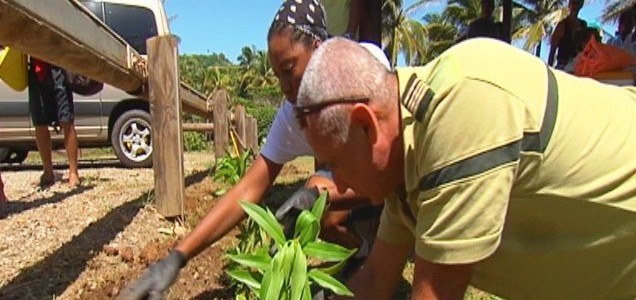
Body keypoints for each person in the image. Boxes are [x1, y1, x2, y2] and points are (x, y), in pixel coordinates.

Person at [294, 37, 636, 300]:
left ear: (366, 126)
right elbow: (375, 280)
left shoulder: (460, 107)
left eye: (335, 164)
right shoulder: (406, 154)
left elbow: (435, 293)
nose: (336, 182)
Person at [116, 1, 390, 299]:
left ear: (318, 46)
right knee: (323, 209)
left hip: (396, 180)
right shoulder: (292, 114)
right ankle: (362, 259)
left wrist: (317, 194)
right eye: (278, 76)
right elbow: (248, 188)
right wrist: (175, 258)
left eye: (290, 68)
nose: (285, 86)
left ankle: (383, 256)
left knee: (321, 194)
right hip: (359, 183)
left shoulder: (365, 68)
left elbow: (389, 173)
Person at [28, 57, 80, 187]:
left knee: (67, 121)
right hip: (36, 69)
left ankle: (73, 172)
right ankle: (48, 171)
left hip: (58, 66)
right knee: (39, 124)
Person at [548, 0, 587, 69]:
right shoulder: (562, 25)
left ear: (581, 4)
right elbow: (552, 51)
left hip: (579, 67)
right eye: (573, 2)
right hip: (563, 67)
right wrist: (549, 70)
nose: (575, 5)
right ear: (569, 4)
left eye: (578, 2)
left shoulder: (583, 25)